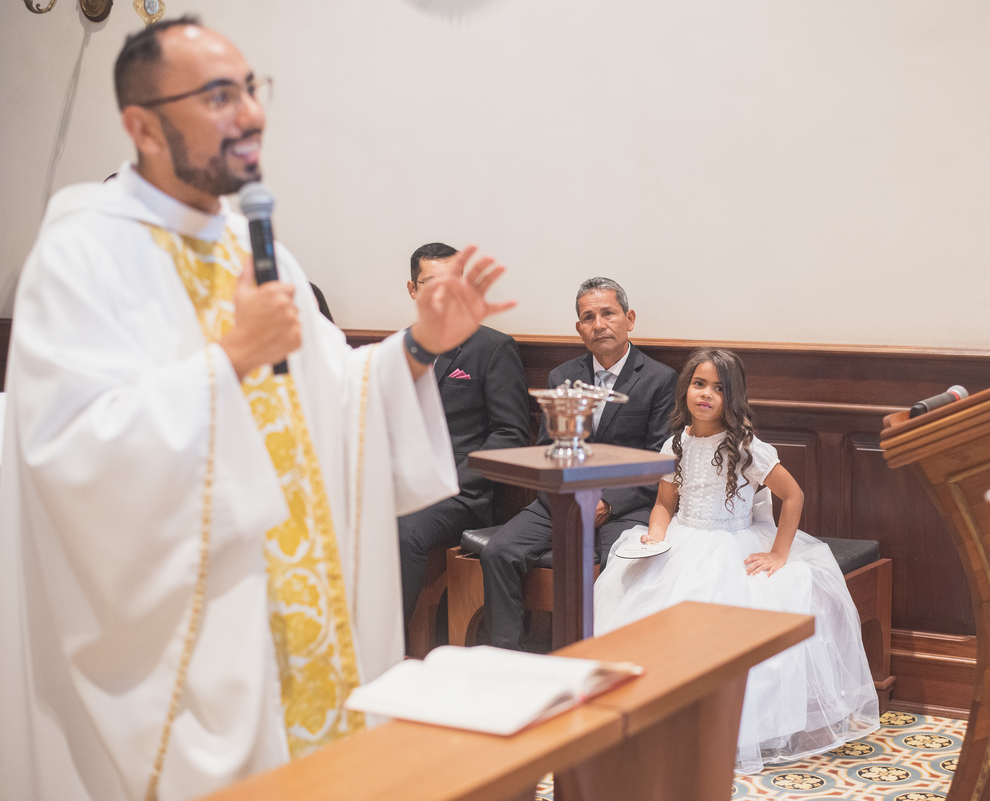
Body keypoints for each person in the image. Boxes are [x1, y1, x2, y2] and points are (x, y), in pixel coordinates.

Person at [0, 17, 513, 801]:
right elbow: (71, 453)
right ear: (141, 124)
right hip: (198, 641)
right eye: (217, 95)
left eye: (250, 88)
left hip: (307, 624)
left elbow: (335, 397)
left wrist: (417, 346)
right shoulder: (82, 252)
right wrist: (228, 360)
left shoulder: (257, 244)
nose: (248, 113)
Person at [593, 348, 878, 773]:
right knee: (642, 608)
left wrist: (780, 552)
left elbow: (794, 495)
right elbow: (664, 504)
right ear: (685, 388)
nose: (706, 394)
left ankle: (735, 727)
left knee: (723, 625)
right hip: (682, 540)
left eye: (719, 388)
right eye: (699, 383)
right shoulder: (677, 442)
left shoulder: (746, 447)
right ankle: (660, 717)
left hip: (733, 545)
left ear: (734, 396)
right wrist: (656, 532)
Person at [481, 277, 676, 651]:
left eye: (608, 313)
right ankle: (508, 656)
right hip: (562, 500)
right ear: (579, 328)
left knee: (617, 565)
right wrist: (568, 495)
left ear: (629, 318)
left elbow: (660, 461)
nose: (598, 324)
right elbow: (545, 451)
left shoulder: (659, 379)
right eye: (588, 317)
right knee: (499, 551)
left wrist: (609, 503)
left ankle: (597, 656)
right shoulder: (561, 377)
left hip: (623, 507)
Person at [397, 242, 529, 631]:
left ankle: (388, 646)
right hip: (401, 484)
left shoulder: (491, 347)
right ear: (412, 289)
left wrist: (448, 480)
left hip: (461, 493)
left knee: (403, 532)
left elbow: (511, 433)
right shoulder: (398, 348)